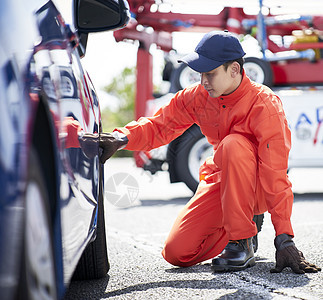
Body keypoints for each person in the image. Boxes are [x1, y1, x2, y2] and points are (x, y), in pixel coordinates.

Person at [92, 30, 321, 273]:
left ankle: (241, 241)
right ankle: (244, 225)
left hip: (259, 186)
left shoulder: (264, 105)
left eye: (210, 74)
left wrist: (284, 238)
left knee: (234, 144)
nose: (203, 81)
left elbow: (276, 174)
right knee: (177, 252)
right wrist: (122, 138)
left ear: (234, 70)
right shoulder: (198, 97)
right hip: (223, 179)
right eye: (201, 74)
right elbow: (160, 125)